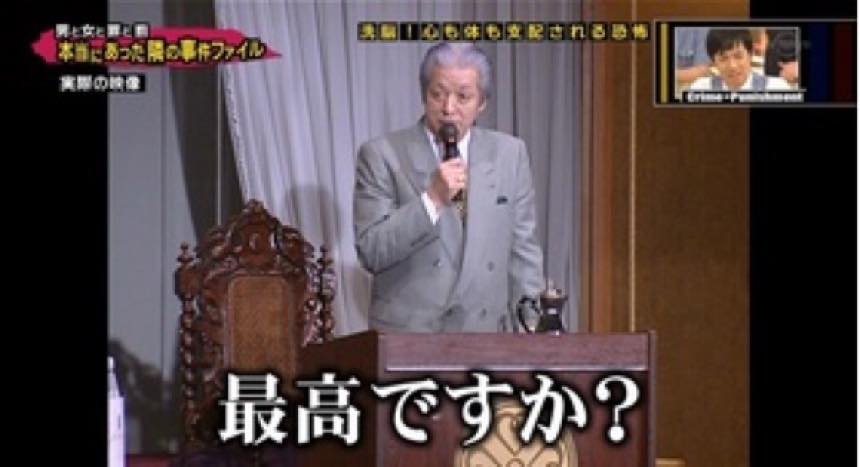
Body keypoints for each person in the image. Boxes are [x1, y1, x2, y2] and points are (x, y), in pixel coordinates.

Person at [353, 42, 545, 333]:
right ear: (423, 94)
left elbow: (524, 253)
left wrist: (532, 328)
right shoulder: (382, 155)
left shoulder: (509, 154)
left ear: (482, 102)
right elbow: (372, 250)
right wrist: (432, 200)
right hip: (411, 336)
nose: (448, 108)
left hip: (484, 335)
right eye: (438, 94)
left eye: (463, 97)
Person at [688, 28, 792, 91]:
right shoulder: (700, 88)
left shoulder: (776, 87)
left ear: (750, 55)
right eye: (723, 59)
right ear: (713, 62)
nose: (732, 66)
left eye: (738, 56)